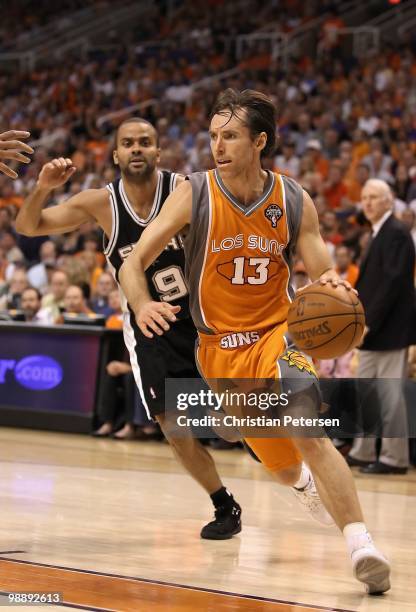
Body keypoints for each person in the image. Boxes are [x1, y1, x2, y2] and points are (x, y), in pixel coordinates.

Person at [118, 89, 391, 594]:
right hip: (219, 347)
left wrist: (331, 283)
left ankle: (362, 545)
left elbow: (320, 264)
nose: (217, 145)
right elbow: (134, 261)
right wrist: (140, 304)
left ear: (259, 141)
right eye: (214, 136)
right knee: (282, 466)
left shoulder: (291, 198)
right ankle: (306, 485)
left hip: (278, 332)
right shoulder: (194, 193)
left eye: (230, 136)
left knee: (309, 431)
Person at [16, 118, 242, 540]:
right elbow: (29, 227)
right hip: (149, 327)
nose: (136, 149)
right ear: (116, 154)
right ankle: (224, 504)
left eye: (145, 142)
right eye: (127, 144)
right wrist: (43, 187)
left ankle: (262, 437)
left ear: (159, 152)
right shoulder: (101, 203)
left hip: (203, 318)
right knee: (172, 426)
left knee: (233, 416)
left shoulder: (186, 191)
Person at [346, 179, 415, 474]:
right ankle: (362, 451)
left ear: (389, 201)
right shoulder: (377, 233)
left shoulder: (397, 233)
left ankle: (394, 458)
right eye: (364, 197)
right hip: (373, 330)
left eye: (374, 197)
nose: (368, 203)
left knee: (391, 397)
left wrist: (368, 323)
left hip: (389, 329)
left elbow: (393, 283)